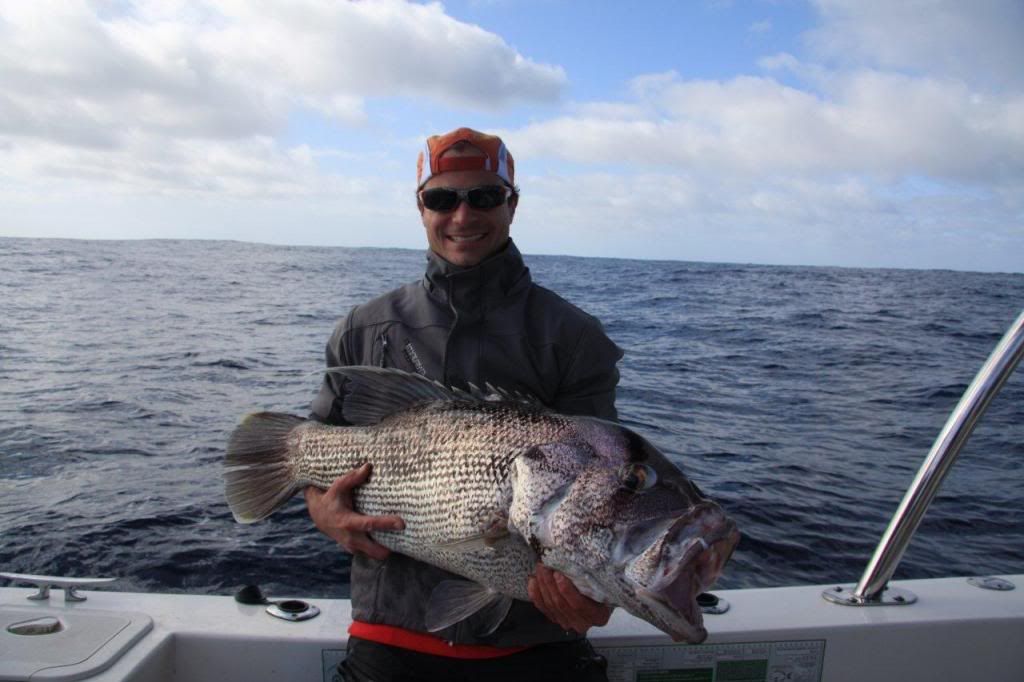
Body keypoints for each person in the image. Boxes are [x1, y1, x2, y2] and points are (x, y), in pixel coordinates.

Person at [306, 127, 623, 682]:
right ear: (420, 206)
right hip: (390, 632)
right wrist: (321, 509)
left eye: (484, 197)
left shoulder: (573, 337)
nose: (462, 216)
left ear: (512, 204)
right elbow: (313, 449)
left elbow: (599, 490)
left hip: (534, 641)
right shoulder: (362, 328)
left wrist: (598, 589)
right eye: (442, 198)